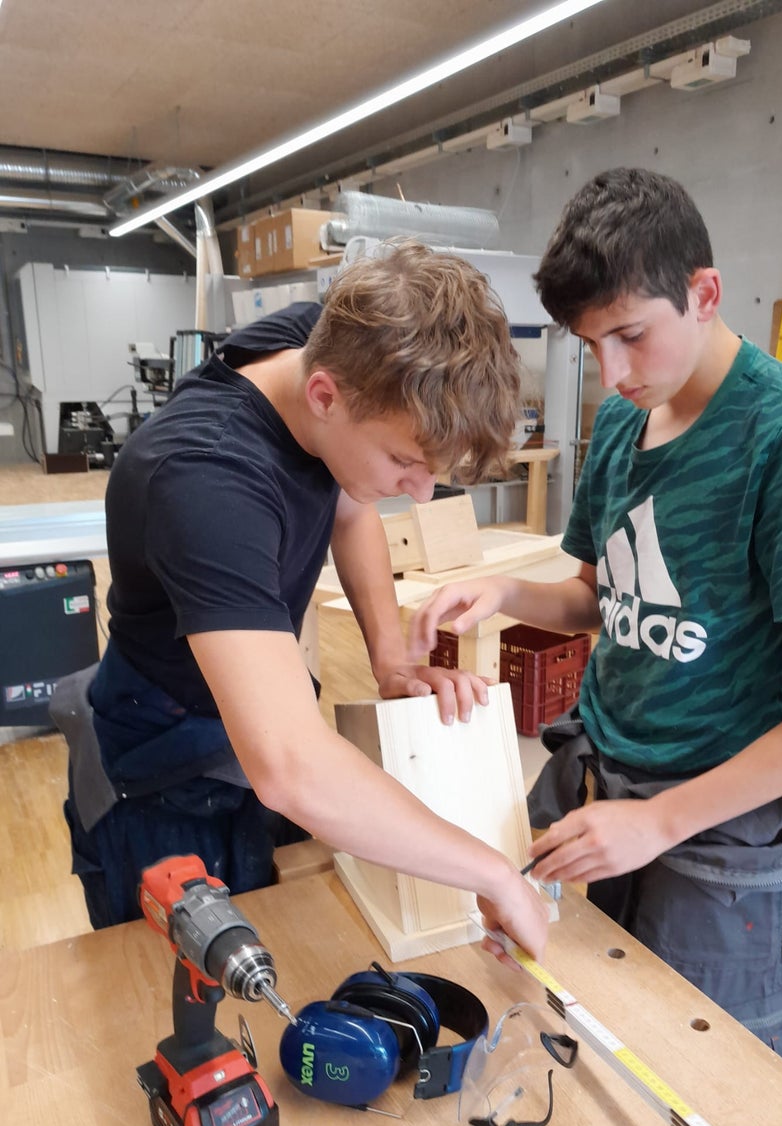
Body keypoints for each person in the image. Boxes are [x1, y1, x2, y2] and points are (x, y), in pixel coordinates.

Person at [408, 168, 782, 1077]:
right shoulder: (623, 429)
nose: (613, 373)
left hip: (723, 822)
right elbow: (604, 601)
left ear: (704, 293)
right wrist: (507, 594)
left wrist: (663, 821)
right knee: (572, 1023)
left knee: (708, 1074)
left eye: (631, 335)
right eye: (591, 345)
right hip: (605, 780)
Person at [53, 241, 548, 966]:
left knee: (290, 936)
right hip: (165, 770)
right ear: (323, 396)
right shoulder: (207, 481)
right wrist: (493, 873)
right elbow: (288, 766)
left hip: (257, 722)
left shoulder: (331, 343)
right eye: (405, 463)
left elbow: (350, 501)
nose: (420, 495)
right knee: (187, 990)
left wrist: (390, 660)